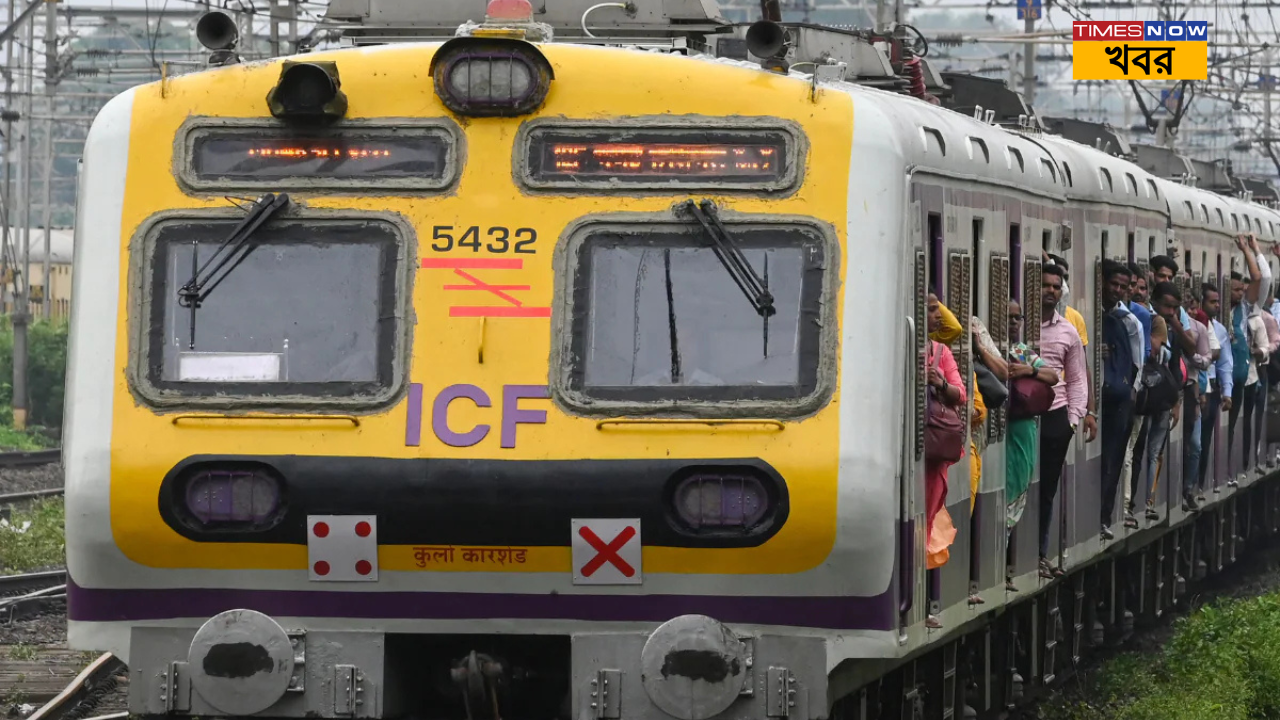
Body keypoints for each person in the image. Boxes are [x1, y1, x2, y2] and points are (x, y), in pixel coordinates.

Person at [1036, 265, 1090, 579]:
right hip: (1022, 417)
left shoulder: (1068, 331)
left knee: (1046, 488)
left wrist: (1073, 420)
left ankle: (1041, 551)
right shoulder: (1020, 326)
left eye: (1056, 287)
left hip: (1056, 415)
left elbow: (1077, 380)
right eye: (1046, 285)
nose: (1051, 291)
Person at [924, 293, 966, 628]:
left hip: (933, 450)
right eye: (930, 309)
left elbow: (961, 395)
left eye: (938, 308)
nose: (938, 315)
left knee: (926, 522)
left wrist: (939, 383)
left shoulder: (942, 352)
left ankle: (924, 602)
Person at [1227, 235, 1272, 483]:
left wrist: (1248, 250)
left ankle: (1238, 466)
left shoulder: (1245, 308)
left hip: (1243, 375)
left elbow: (1258, 279)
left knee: (1239, 422)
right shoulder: (1224, 310)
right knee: (1232, 423)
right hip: (1228, 376)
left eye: (1242, 290)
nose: (1241, 293)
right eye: (1236, 289)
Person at [1100, 261, 1140, 537]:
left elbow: (1136, 364)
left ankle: (1105, 514)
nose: (1116, 290)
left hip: (1118, 399)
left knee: (1114, 458)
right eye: (1113, 284)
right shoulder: (1093, 314)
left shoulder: (1128, 321)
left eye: (1122, 287)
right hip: (1100, 396)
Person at [1200, 283, 1234, 496]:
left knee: (1205, 439)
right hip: (1198, 388)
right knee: (1195, 442)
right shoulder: (1196, 327)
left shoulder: (1220, 330)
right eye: (1212, 302)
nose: (1217, 306)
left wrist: (1227, 393)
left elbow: (1225, 363)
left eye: (1218, 301)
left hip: (1212, 389)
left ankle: (1199, 485)